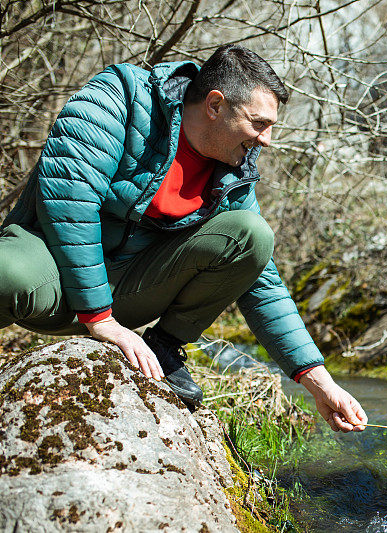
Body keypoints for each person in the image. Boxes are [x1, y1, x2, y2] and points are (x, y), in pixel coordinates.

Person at [0, 44, 367, 432]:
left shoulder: (231, 171)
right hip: (52, 276)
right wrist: (100, 319)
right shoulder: (117, 99)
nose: (267, 140)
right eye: (259, 123)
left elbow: (262, 281)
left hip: (129, 294)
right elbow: (70, 204)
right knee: (6, 271)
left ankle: (165, 348)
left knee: (251, 235)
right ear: (215, 105)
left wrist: (318, 382)